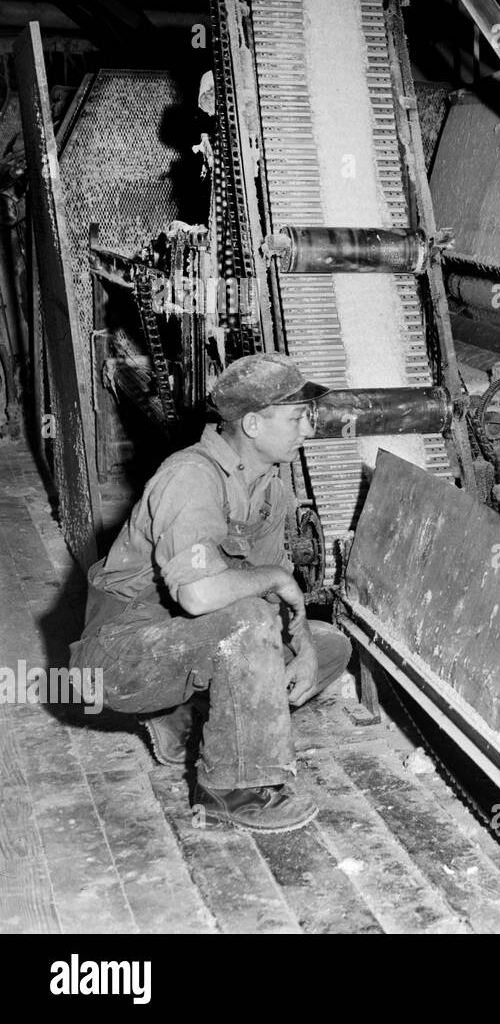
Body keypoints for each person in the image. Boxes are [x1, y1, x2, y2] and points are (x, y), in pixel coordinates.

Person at [69, 352, 352, 832]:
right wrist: (278, 580)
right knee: (247, 624)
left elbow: (274, 603)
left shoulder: (269, 490)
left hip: (188, 640)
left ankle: (190, 719)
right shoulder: (190, 476)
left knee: (330, 646)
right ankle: (232, 787)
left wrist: (302, 647)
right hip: (119, 655)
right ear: (253, 425)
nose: (308, 429)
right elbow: (200, 597)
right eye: (298, 418)